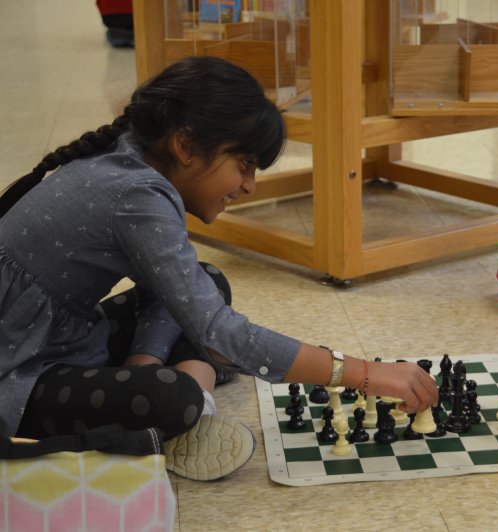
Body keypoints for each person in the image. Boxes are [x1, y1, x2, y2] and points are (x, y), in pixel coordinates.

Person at [0, 56, 438, 481]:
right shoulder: (138, 195)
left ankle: (160, 384)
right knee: (173, 395)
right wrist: (364, 372)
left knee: (206, 280)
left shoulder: (132, 158)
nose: (249, 185)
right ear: (186, 146)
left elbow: (179, 297)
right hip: (17, 369)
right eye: (244, 164)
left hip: (57, 335)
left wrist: (143, 358)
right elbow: (218, 330)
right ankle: (182, 410)